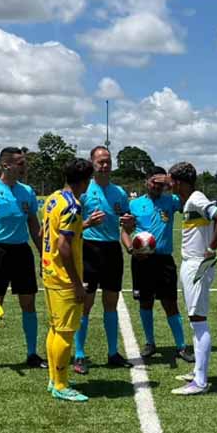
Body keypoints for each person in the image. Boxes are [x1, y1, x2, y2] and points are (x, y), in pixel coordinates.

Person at [0, 147, 47, 374]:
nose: (25, 167)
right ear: (6, 165)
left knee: (29, 304)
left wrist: (43, 255)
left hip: (22, 253)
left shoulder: (27, 192)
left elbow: (34, 225)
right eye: (21, 163)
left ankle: (32, 354)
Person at [168, 162, 217, 395]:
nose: (170, 184)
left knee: (198, 320)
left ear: (181, 182)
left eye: (172, 180)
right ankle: (197, 372)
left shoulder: (196, 198)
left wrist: (212, 248)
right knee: (194, 319)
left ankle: (201, 382)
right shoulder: (190, 201)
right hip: (191, 263)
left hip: (197, 264)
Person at [121, 166, 193, 363]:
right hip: (141, 261)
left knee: (170, 303)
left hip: (164, 260)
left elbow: (190, 200)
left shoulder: (172, 200)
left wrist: (171, 183)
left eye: (161, 183)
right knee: (146, 302)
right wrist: (130, 249)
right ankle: (150, 343)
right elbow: (125, 231)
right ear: (146, 181)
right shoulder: (135, 204)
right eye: (154, 182)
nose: (157, 186)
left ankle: (181, 346)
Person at [73, 146, 135, 374]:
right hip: (88, 249)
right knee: (85, 305)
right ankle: (79, 355)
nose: (104, 165)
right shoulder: (82, 191)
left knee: (111, 302)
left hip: (112, 251)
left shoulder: (119, 192)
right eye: (100, 161)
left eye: (107, 161)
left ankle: (112, 352)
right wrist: (88, 223)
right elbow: (69, 227)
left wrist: (129, 225)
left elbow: (127, 226)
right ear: (92, 163)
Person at [41, 158, 94, 402]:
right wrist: (76, 283)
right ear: (85, 181)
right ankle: (61, 385)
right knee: (65, 332)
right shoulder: (73, 206)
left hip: (49, 273)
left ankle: (54, 379)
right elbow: (64, 246)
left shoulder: (53, 199)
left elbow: (44, 234)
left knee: (55, 329)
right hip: (63, 279)